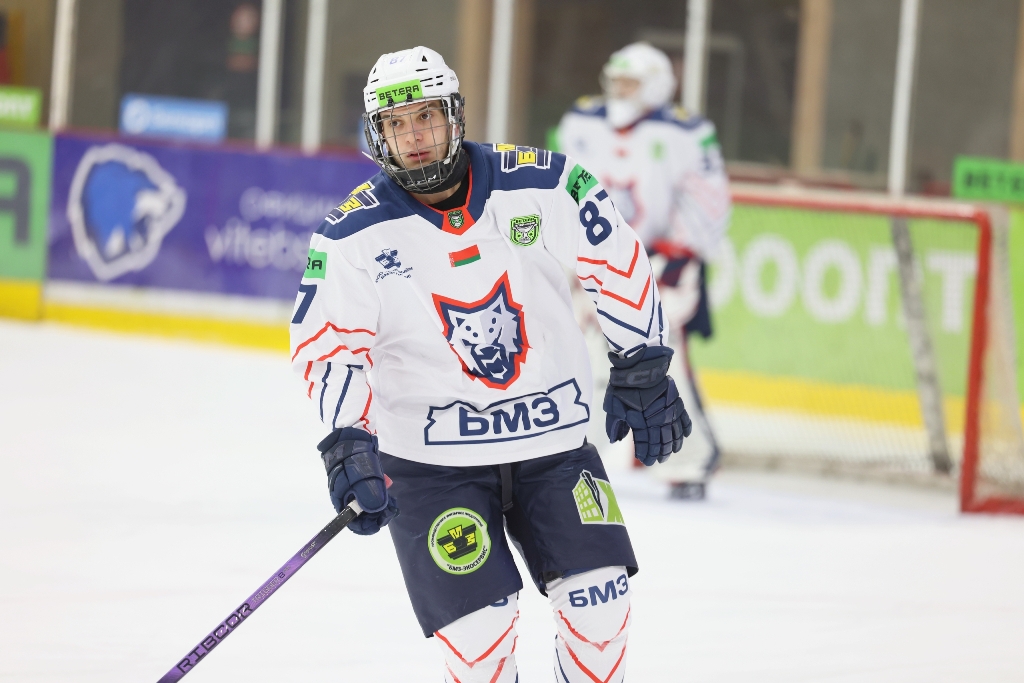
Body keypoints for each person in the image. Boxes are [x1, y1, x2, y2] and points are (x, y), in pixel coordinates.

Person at [290, 46, 691, 682]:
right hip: (431, 467)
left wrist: (640, 359)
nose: (414, 137)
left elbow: (614, 258)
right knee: (479, 640)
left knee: (601, 611)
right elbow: (330, 347)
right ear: (377, 134)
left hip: (552, 446)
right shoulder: (349, 237)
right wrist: (347, 442)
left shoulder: (545, 182)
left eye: (426, 117)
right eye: (397, 124)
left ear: (455, 115)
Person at [558, 42, 731, 500]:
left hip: (658, 258)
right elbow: (558, 187)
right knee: (584, 358)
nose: (620, 91)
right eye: (615, 81)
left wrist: (680, 256)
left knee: (661, 358)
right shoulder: (582, 121)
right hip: (595, 256)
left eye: (631, 83)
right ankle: (576, 455)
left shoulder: (687, 131)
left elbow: (707, 197)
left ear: (656, 85)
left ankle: (691, 459)